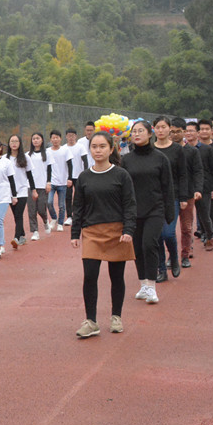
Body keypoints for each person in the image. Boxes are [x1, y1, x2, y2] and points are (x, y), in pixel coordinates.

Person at [71, 132, 136, 338]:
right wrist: (75, 233)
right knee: (90, 276)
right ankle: (91, 321)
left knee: (116, 276)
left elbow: (129, 205)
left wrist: (128, 230)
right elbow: (78, 207)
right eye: (94, 147)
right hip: (91, 232)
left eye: (102, 146)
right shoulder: (84, 177)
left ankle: (116, 316)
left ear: (111, 149)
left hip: (117, 232)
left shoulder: (121, 175)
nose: (97, 150)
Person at [121, 120, 174, 305]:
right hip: (134, 211)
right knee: (136, 248)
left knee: (149, 244)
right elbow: (123, 188)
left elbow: (167, 186)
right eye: (134, 131)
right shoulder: (126, 159)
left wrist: (169, 212)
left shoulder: (160, 158)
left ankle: (152, 286)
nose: (136, 134)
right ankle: (143, 284)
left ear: (150, 134)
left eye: (141, 131)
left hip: (155, 209)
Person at [152, 116, 188, 282]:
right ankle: (161, 269)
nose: (160, 130)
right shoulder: (150, 149)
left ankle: (173, 257)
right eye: (157, 127)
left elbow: (182, 175)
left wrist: (183, 197)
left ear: (169, 129)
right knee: (157, 235)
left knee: (168, 233)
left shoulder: (177, 150)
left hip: (172, 197)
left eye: (163, 127)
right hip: (153, 198)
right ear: (153, 129)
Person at [172, 118, 203, 269]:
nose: (175, 134)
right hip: (170, 194)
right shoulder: (165, 151)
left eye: (178, 131)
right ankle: (171, 256)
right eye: (172, 131)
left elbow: (198, 171)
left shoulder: (191, 151)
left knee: (186, 227)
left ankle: (185, 255)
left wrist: (198, 189)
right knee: (168, 230)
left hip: (188, 194)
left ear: (184, 132)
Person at [188, 120, 213, 252]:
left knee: (204, 214)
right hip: (187, 187)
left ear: (197, 133)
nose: (189, 133)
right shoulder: (182, 150)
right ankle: (188, 244)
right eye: (187, 131)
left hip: (204, 186)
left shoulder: (207, 149)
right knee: (187, 218)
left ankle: (210, 235)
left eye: (192, 131)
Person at [7, 135, 32, 247]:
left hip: (22, 190)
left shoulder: (25, 158)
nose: (14, 143)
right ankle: (22, 235)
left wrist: (34, 189)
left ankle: (16, 238)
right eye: (12, 141)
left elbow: (30, 175)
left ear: (20, 143)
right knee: (15, 215)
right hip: (9, 191)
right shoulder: (5, 159)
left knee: (18, 214)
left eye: (16, 141)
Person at [46, 130, 73, 232]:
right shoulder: (48, 151)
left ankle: (60, 223)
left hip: (62, 182)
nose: (55, 139)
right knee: (49, 202)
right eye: (53, 138)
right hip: (51, 181)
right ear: (50, 139)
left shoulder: (65, 150)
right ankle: (54, 217)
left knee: (61, 205)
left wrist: (69, 178)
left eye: (57, 137)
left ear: (60, 139)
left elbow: (70, 165)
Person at [27, 132, 51, 240]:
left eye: (38, 138)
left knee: (41, 208)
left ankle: (45, 221)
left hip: (42, 185)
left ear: (42, 140)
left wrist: (49, 182)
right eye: (34, 139)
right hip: (30, 186)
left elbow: (49, 169)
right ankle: (35, 231)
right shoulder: (28, 155)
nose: (35, 140)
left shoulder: (46, 154)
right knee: (32, 209)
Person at [64, 128, 89, 226]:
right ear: (66, 137)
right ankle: (69, 216)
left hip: (79, 176)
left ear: (76, 136)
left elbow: (85, 161)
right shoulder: (64, 148)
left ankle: (79, 214)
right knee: (68, 196)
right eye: (69, 135)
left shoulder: (80, 147)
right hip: (68, 177)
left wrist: (85, 173)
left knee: (79, 196)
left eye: (73, 135)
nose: (71, 137)